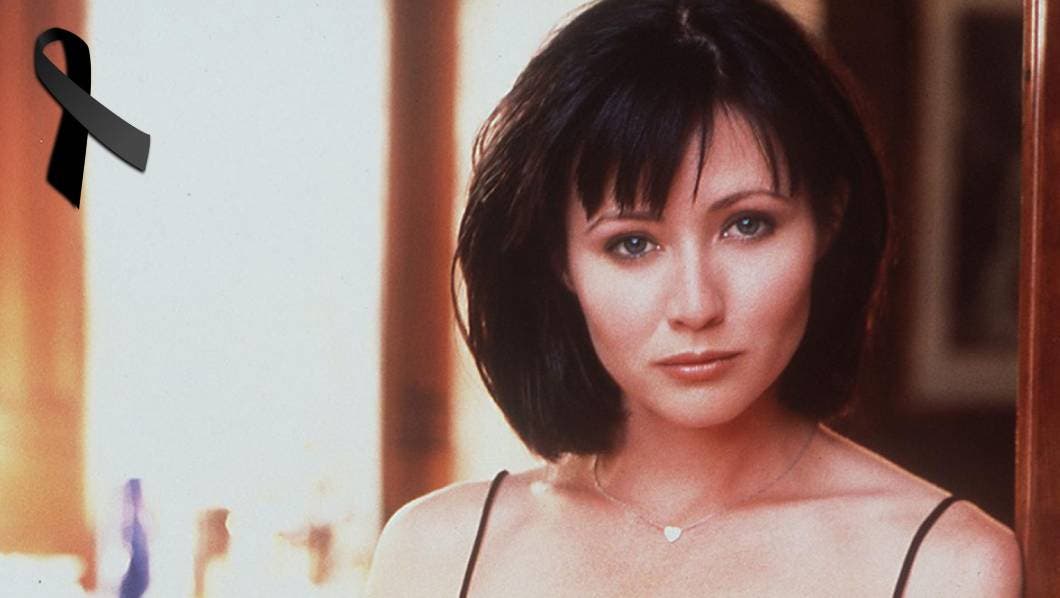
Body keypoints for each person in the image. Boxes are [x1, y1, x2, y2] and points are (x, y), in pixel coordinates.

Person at [366, 0, 1022, 595]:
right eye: (631, 243)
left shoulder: (947, 567)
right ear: (560, 260)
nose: (696, 305)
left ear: (829, 220)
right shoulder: (437, 555)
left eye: (748, 225)